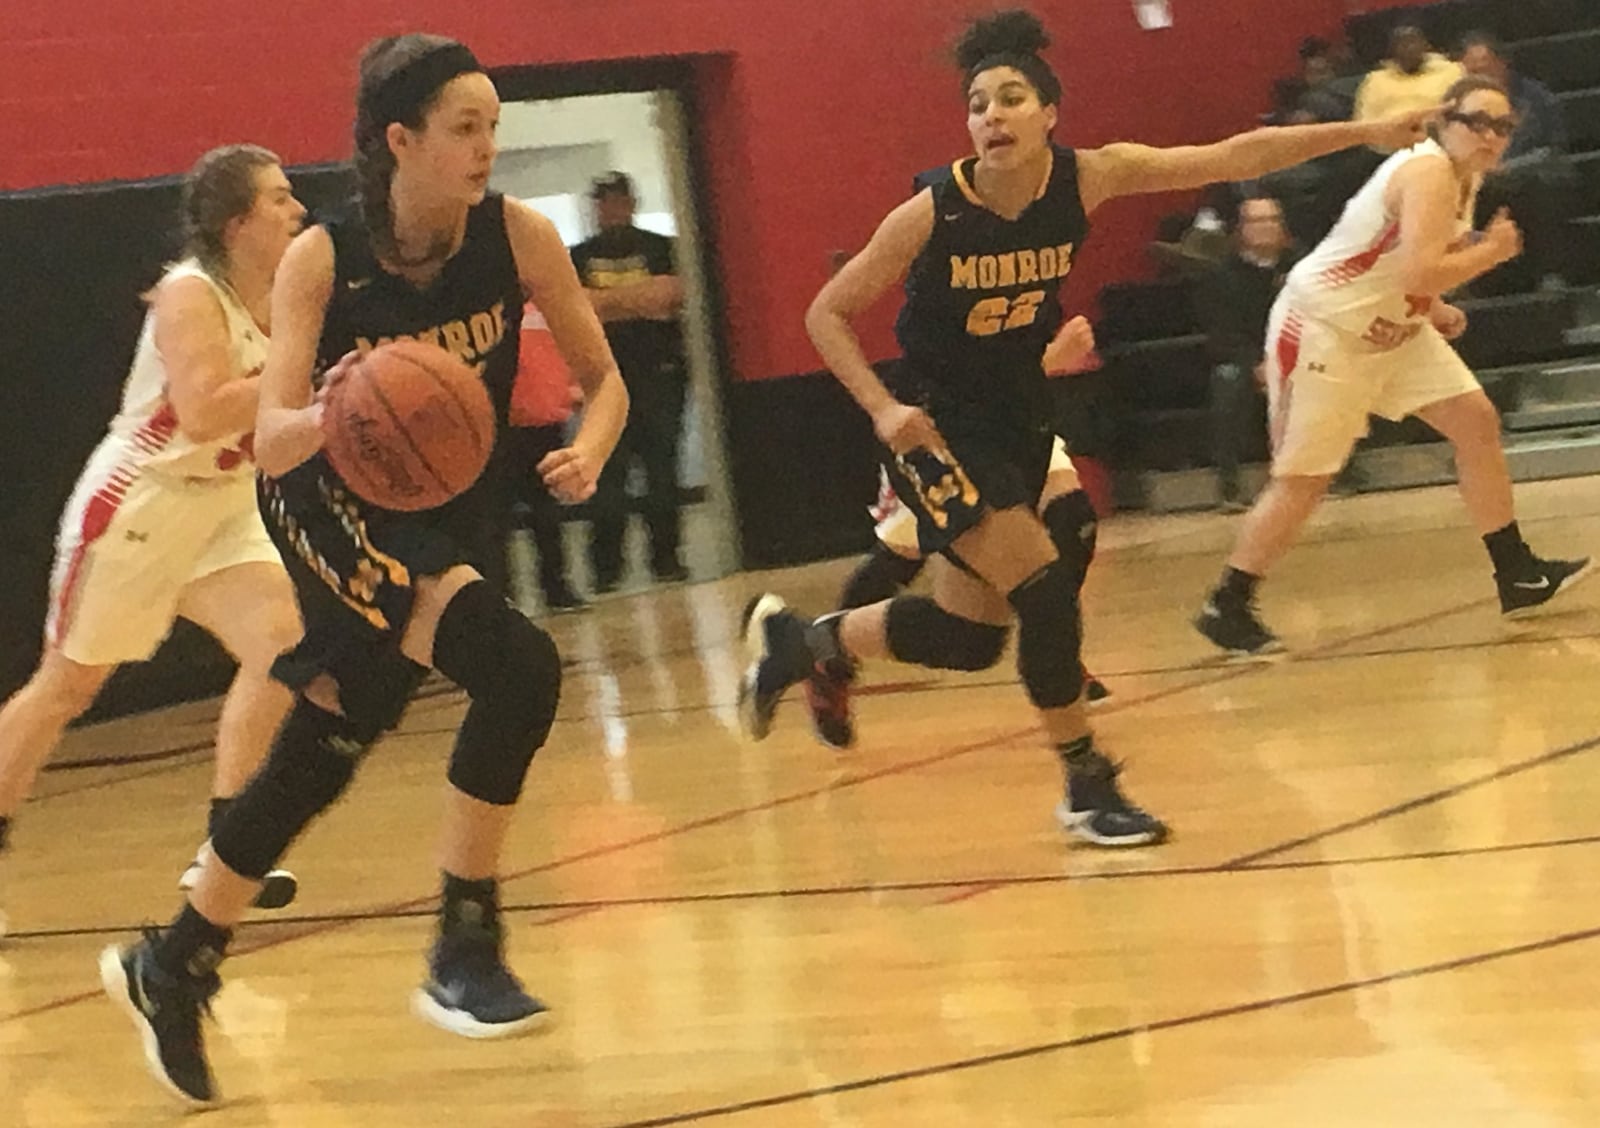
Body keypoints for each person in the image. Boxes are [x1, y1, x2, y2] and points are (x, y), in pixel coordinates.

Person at [735, 8, 1436, 848]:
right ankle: (1086, 781)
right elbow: (827, 313)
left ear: (1049, 114)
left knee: (967, 640)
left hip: (1021, 419)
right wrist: (885, 410)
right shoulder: (933, 210)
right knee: (1044, 589)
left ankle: (796, 641)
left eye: (1011, 98)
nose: (991, 115)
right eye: (978, 104)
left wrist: (1370, 130)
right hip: (941, 429)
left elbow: (1234, 156)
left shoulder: (1090, 177)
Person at [100, 35, 628, 1105]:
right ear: (402, 140)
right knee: (519, 670)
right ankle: (463, 947)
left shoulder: (520, 236)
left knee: (329, 740)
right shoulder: (324, 259)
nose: (487, 147)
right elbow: (279, 430)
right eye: (464, 128)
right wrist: (344, 403)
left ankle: (178, 959)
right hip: (329, 499)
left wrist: (595, 443)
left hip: (452, 504)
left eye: (494, 126)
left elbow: (604, 376)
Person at [0, 145, 306, 938]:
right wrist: (317, 376)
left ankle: (228, 844)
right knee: (68, 686)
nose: (296, 210)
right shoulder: (189, 291)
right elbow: (204, 412)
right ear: (238, 223)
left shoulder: (290, 295)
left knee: (284, 644)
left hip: (224, 505)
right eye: (278, 199)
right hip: (145, 500)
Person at [1195, 76, 1589, 658]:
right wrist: (1492, 252)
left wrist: (1432, 309)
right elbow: (1416, 273)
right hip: (1324, 329)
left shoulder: (1464, 176)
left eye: (1503, 126)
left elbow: (1395, 264)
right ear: (1444, 121)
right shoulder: (1427, 171)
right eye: (1477, 121)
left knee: (1476, 422)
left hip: (1391, 329)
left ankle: (1516, 572)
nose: (1491, 136)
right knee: (1305, 480)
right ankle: (1227, 604)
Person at [570, 171, 690, 591]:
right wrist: (639, 299)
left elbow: (671, 294)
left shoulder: (662, 248)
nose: (611, 209)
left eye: (618, 200)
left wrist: (605, 305)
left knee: (662, 472)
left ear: (631, 202)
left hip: (660, 375)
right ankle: (606, 571)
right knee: (605, 477)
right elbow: (575, 309)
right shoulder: (576, 256)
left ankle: (667, 561)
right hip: (601, 380)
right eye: (603, 202)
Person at [1194, 195, 1299, 510]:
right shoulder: (1220, 276)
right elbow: (1222, 331)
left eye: (1272, 220)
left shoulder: (1302, 266)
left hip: (1300, 354)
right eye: (1257, 221)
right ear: (1241, 230)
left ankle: (1336, 473)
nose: (1266, 228)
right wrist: (1256, 363)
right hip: (1244, 359)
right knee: (1228, 380)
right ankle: (1230, 485)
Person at [1459, 29, 1575, 292]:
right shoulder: (1461, 108)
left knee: (1539, 190)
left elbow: (1553, 148)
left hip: (1534, 173)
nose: (1479, 77)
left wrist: (1511, 167)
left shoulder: (1536, 97)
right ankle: (1473, 281)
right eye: (1472, 71)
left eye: (1485, 68)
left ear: (1502, 63)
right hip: (1486, 180)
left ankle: (1550, 273)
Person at [505, 299, 587, 612]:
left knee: (547, 512)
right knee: (499, 517)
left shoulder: (545, 305)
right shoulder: (495, 309)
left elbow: (565, 353)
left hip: (545, 421)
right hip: (502, 424)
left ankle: (556, 587)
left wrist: (572, 387)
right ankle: (504, 593)